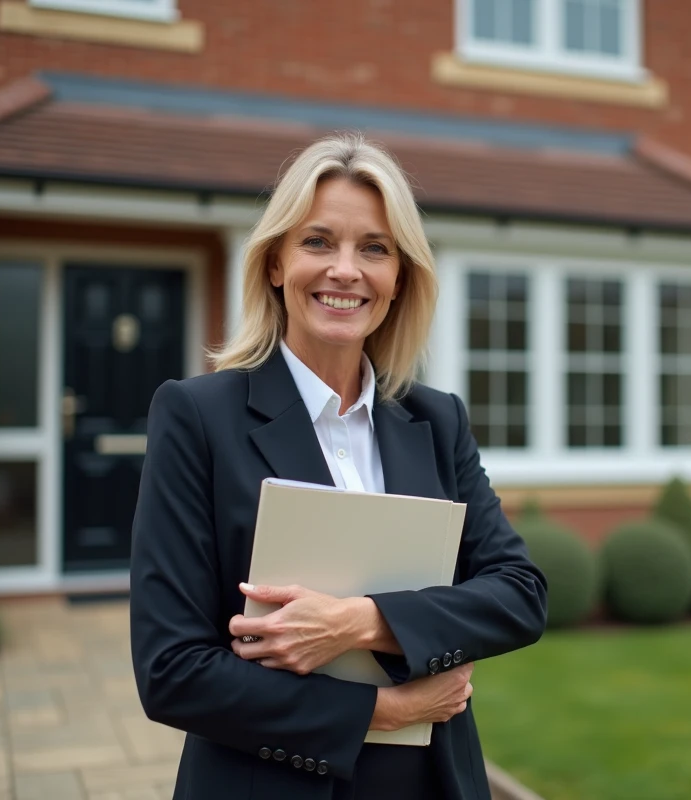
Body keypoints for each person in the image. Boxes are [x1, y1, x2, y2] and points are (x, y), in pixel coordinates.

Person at [129, 131, 548, 799]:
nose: (345, 270)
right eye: (318, 241)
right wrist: (383, 714)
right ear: (274, 264)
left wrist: (361, 622)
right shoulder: (197, 417)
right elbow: (172, 670)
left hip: (429, 784)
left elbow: (519, 594)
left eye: (374, 249)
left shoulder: (436, 421)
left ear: (399, 277)